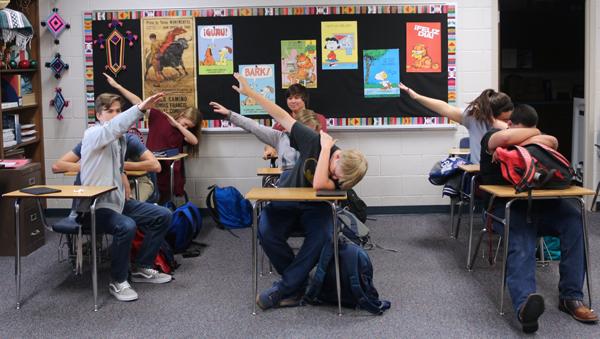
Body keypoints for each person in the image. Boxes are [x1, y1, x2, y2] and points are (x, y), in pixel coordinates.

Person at [231, 72, 368, 310]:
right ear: (340, 156)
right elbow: (281, 115)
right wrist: (251, 93)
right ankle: (299, 284)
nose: (334, 178)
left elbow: (318, 185)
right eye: (335, 172)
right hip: (286, 200)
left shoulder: (335, 164)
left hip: (316, 209)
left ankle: (285, 289)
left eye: (338, 179)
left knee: (324, 235)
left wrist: (325, 151)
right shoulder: (313, 141)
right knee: (266, 230)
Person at [479, 104, 598, 333]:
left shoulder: (530, 138)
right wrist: (533, 135)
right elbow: (507, 139)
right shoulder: (491, 137)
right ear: (510, 124)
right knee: (522, 241)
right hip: (507, 208)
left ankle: (571, 297)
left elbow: (551, 142)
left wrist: (523, 139)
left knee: (574, 219)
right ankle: (525, 307)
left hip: (543, 206)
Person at [78, 91, 173, 302]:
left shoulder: (120, 141)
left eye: (118, 111)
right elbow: (114, 127)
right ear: (98, 114)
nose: (114, 115)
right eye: (109, 111)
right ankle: (118, 280)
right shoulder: (93, 134)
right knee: (126, 226)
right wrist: (139, 109)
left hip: (118, 203)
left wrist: (121, 176)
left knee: (163, 215)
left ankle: (142, 267)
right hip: (95, 206)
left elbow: (118, 161)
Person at [104, 73, 202, 203]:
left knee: (165, 197)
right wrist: (118, 86)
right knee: (150, 192)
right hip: (151, 165)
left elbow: (194, 141)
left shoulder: (182, 131)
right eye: (185, 123)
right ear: (182, 114)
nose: (186, 127)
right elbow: (138, 103)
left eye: (188, 127)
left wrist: (178, 125)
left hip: (169, 170)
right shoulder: (159, 116)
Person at [209, 101, 322, 183]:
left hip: (312, 191)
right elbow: (254, 126)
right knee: (268, 214)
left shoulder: (323, 144)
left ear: (317, 129)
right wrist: (229, 115)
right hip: (288, 189)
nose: (307, 136)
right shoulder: (281, 137)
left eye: (311, 131)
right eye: (304, 131)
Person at [399, 84, 513, 164]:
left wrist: (496, 122)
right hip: (481, 173)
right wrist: (416, 97)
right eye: (505, 119)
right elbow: (444, 108)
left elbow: (514, 132)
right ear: (494, 113)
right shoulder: (474, 119)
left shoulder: (510, 125)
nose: (508, 122)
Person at [51, 132, 161, 202]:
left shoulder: (130, 140)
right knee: (98, 207)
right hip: (108, 183)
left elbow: (156, 166)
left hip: (137, 181)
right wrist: (92, 166)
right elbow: (57, 166)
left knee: (129, 205)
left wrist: (121, 165)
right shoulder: (91, 140)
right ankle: (96, 237)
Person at [263, 83, 328, 160]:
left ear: (304, 99)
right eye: (290, 98)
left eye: (296, 98)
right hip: (288, 164)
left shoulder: (318, 118)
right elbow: (271, 141)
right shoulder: (282, 120)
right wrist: (269, 149)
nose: (293, 101)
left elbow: (322, 142)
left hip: (312, 161)